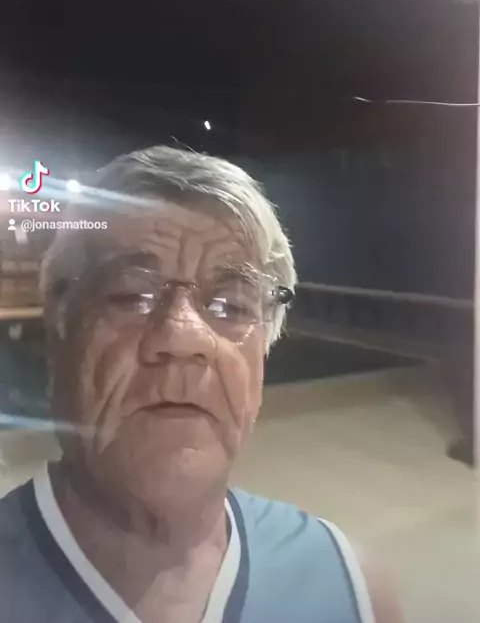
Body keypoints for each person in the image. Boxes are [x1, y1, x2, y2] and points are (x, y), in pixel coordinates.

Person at [0, 146, 403, 623]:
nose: (183, 337)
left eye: (231, 306)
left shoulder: (350, 588)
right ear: (58, 334)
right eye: (130, 296)